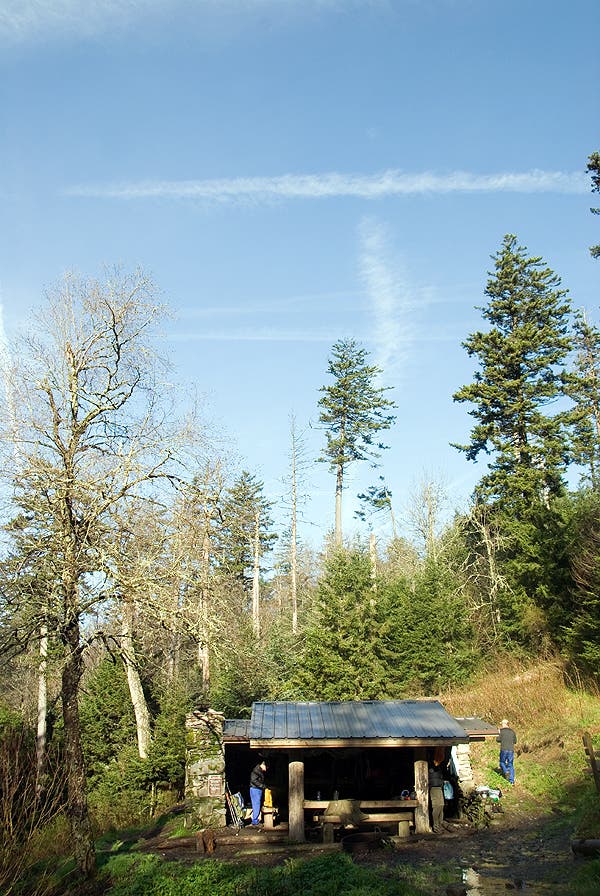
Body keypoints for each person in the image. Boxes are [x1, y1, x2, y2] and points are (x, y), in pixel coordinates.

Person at [497, 719, 517, 784]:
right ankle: (511, 781)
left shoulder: (501, 731)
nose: (501, 725)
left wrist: (499, 734)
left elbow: (498, 740)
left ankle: (506, 772)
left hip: (504, 749)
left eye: (502, 724)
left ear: (504, 724)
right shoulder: (512, 731)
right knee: (510, 764)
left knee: (502, 762)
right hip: (511, 750)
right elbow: (515, 741)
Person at [249, 759, 267, 828]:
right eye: (266, 767)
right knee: (256, 804)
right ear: (262, 765)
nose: (266, 769)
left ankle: (255, 820)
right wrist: (262, 786)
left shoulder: (259, 770)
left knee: (257, 804)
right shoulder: (256, 771)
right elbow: (253, 780)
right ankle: (255, 821)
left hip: (257, 789)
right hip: (255, 789)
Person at [428, 762, 444, 833]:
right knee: (437, 806)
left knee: (441, 805)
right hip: (434, 788)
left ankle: (441, 824)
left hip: (439, 787)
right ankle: (436, 826)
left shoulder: (438, 767)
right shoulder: (431, 767)